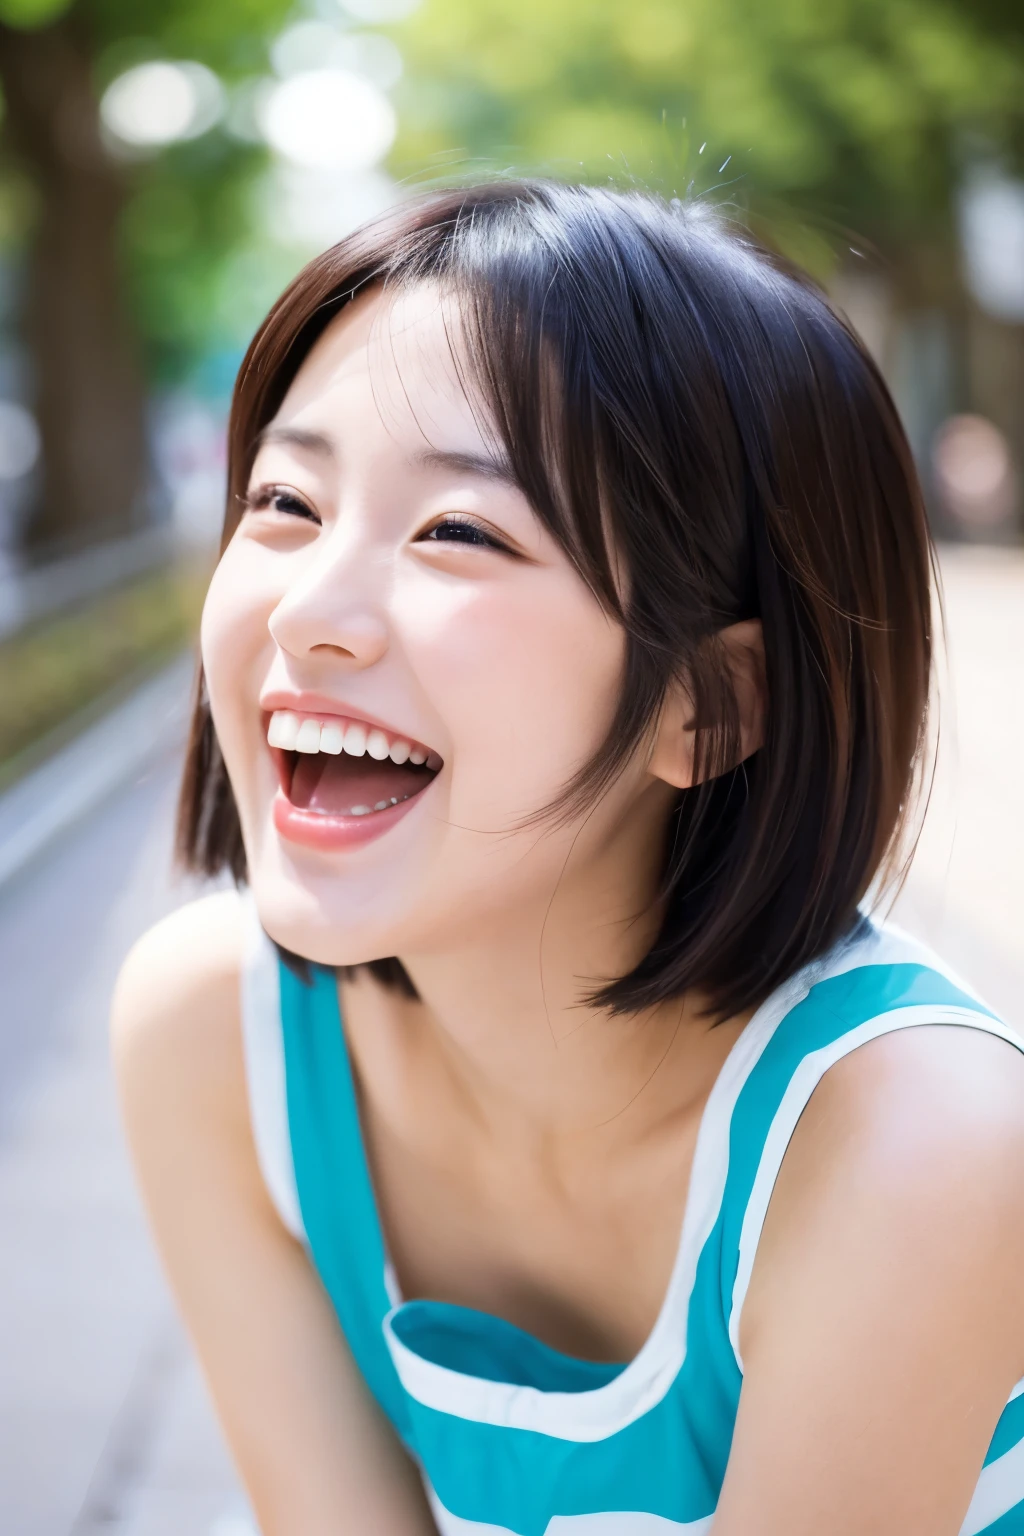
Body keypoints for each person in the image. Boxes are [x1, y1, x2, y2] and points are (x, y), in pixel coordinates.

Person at [111, 181, 1024, 1536]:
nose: (309, 610)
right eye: (285, 502)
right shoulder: (214, 1037)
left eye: (459, 532)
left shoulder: (914, 1145)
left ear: (708, 706)